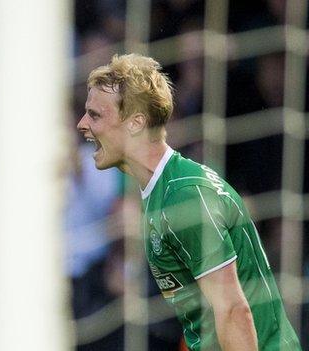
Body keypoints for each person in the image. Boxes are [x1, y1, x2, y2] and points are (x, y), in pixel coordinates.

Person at [76, 53, 301, 350]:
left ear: (135, 122)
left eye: (95, 115)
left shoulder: (186, 196)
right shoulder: (160, 192)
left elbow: (233, 310)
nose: (81, 125)